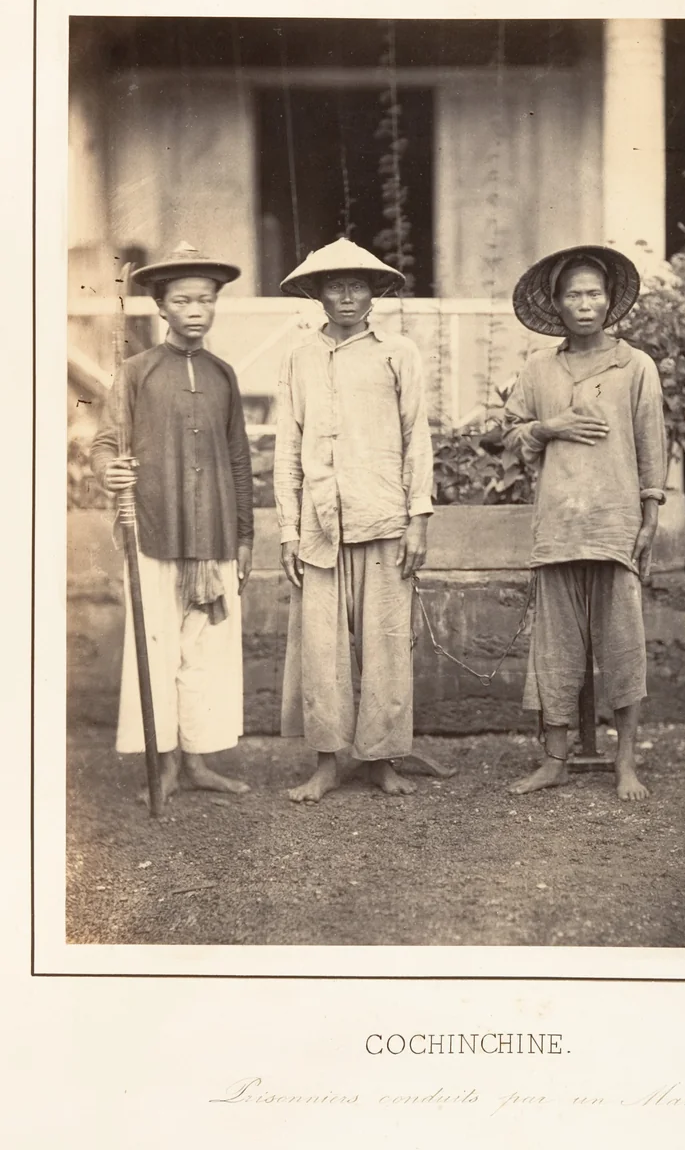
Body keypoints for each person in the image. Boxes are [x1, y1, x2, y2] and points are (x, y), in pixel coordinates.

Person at [91, 242, 255, 804]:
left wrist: (246, 535)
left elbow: (238, 459)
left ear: (215, 306)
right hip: (155, 531)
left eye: (205, 300)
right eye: (182, 299)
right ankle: (163, 766)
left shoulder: (223, 375)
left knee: (206, 655)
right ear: (161, 305)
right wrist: (110, 471)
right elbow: (107, 444)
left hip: (213, 537)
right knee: (157, 651)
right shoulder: (137, 373)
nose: (195, 310)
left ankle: (199, 762)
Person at [502, 244, 667, 801]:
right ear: (557, 303)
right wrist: (551, 427)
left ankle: (625, 763)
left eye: (594, 292)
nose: (585, 303)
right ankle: (554, 760)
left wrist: (649, 517)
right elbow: (505, 433)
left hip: (615, 524)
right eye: (573, 293)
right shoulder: (539, 369)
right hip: (558, 528)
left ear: (610, 300)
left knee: (623, 647)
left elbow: (652, 446)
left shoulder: (635, 366)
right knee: (555, 650)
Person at [275, 238, 434, 802]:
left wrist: (418, 517)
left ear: (374, 293)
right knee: (321, 649)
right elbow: (288, 443)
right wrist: (289, 529)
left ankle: (383, 760)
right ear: (317, 294)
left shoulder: (399, 353)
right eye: (335, 286)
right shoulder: (300, 356)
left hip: (384, 515)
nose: (347, 296)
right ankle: (326, 763)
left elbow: (418, 438)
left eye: (358, 285)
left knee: (388, 645)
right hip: (320, 525)